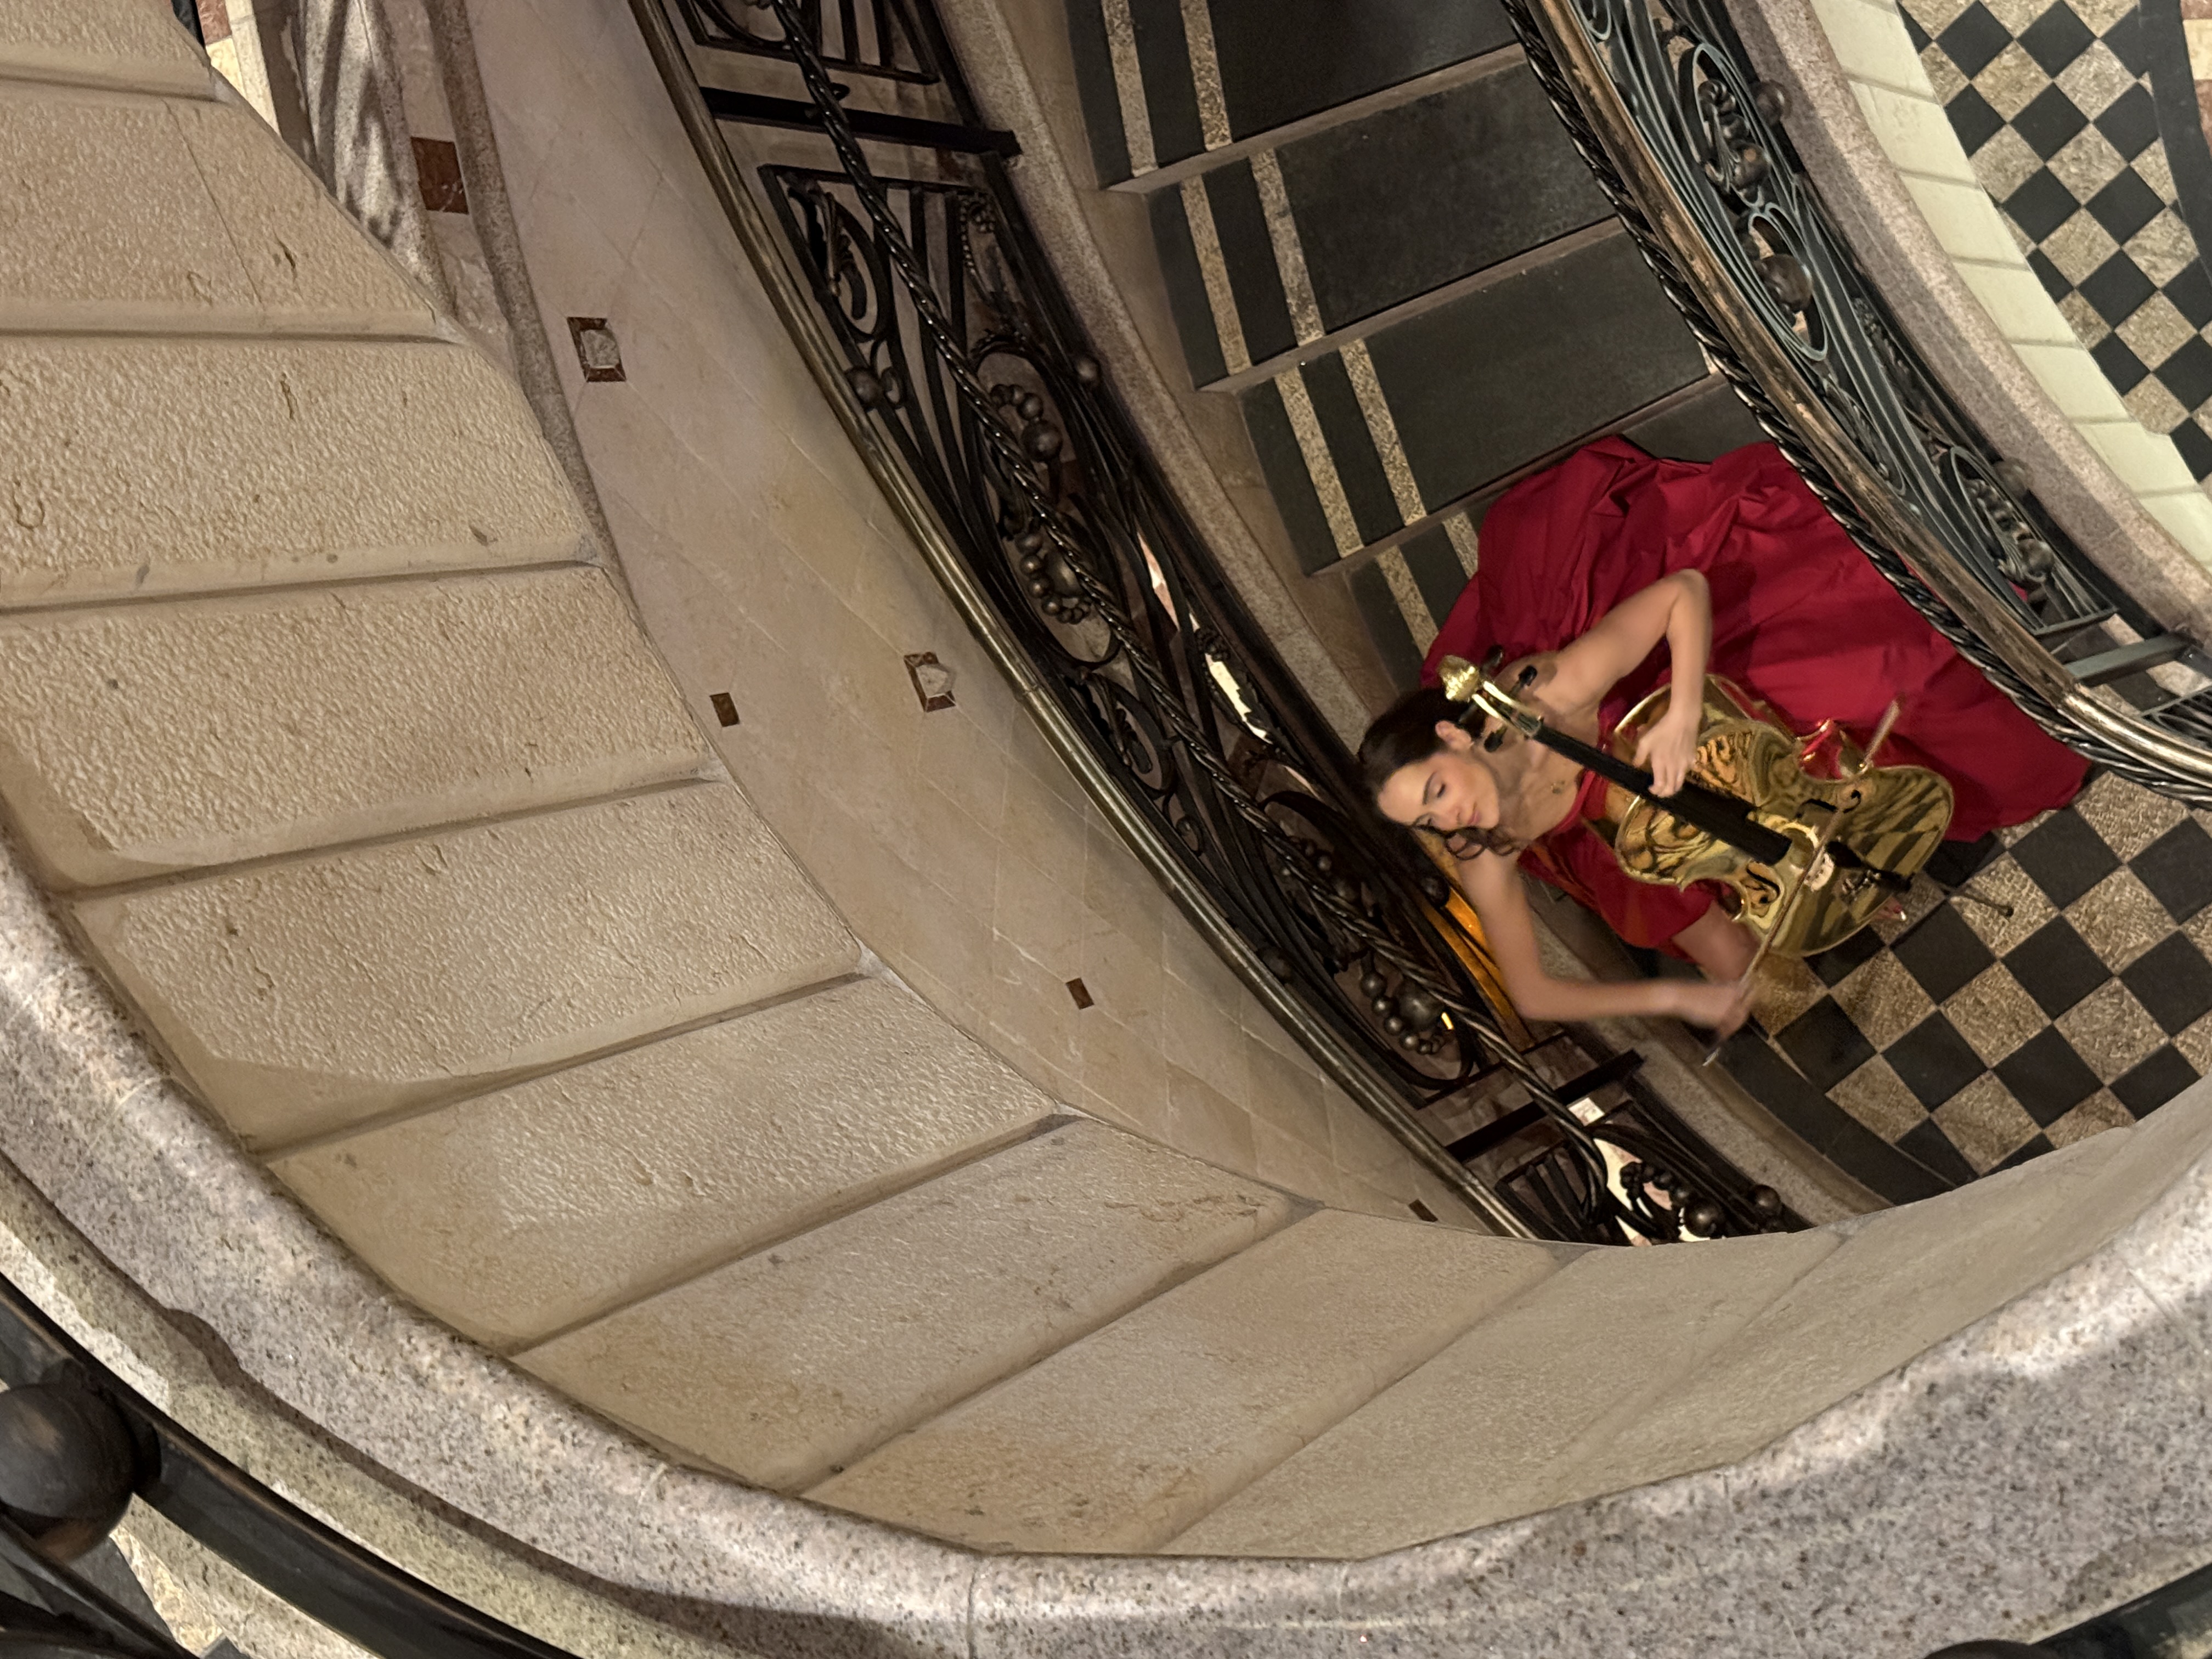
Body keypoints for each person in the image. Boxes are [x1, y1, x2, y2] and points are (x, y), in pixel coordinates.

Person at [1361, 437, 2089, 1036]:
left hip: (1667, 712)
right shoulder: (1486, 849)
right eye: (1427, 820)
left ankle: (1971, 547)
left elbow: (1685, 593)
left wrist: (1680, 715)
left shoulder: (1547, 692)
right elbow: (1533, 995)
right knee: (1732, 949)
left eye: (1437, 793)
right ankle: (1841, 859)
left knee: (1869, 669)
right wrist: (1674, 1000)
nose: (1447, 821)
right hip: (1627, 834)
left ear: (1456, 741)